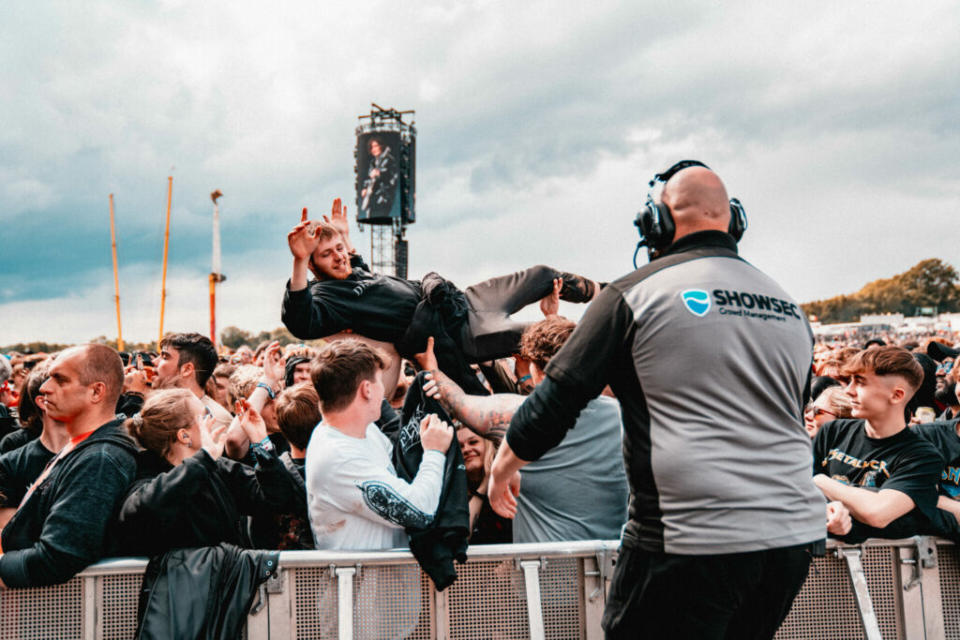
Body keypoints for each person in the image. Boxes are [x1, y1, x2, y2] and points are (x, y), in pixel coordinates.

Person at [485, 160, 826, 639]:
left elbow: (555, 402)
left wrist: (502, 469)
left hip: (691, 538)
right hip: (791, 541)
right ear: (735, 221)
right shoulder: (788, 306)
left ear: (657, 222)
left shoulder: (636, 293)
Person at [282, 198, 599, 396]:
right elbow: (301, 320)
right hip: (459, 335)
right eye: (327, 255)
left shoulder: (355, 269)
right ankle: (608, 332)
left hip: (463, 303)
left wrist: (343, 238)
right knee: (545, 336)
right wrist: (299, 261)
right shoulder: (325, 297)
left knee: (543, 275)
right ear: (313, 263)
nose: (339, 258)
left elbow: (350, 259)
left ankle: (604, 294)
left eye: (340, 250)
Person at [417, 315, 629, 544]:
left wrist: (432, 369)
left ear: (536, 370)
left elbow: (457, 400)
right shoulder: (624, 415)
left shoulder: (517, 413)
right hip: (613, 567)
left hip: (544, 572)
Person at [0, 345, 138, 588]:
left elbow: (57, 557)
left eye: (60, 380)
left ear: (96, 391)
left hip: (55, 614)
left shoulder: (100, 459)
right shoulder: (85, 446)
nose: (44, 388)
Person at [304, 339, 454, 551]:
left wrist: (429, 406)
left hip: (389, 581)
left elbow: (401, 462)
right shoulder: (338, 457)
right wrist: (435, 452)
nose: (383, 390)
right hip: (361, 582)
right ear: (367, 389)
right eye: (379, 381)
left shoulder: (365, 430)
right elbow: (420, 512)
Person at [117, 389, 299, 555]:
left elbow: (278, 499)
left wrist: (261, 442)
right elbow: (140, 511)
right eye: (205, 415)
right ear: (184, 435)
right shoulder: (146, 472)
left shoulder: (219, 468)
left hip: (224, 583)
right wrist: (202, 460)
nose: (212, 421)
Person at [813, 346, 942, 542]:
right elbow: (795, 489)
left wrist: (820, 481)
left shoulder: (922, 457)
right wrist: (826, 509)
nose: (848, 391)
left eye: (860, 382)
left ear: (897, 395)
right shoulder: (834, 431)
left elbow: (877, 513)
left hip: (881, 568)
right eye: (850, 381)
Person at [153, 332, 233, 430]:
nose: (154, 362)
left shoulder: (217, 419)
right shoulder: (159, 409)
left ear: (187, 369)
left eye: (165, 357)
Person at [359, 137, 398, 219]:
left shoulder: (389, 160)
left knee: (380, 216)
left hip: (383, 197)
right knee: (370, 215)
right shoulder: (373, 163)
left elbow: (393, 179)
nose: (374, 149)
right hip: (372, 198)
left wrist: (380, 174)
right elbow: (368, 177)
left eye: (376, 146)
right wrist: (365, 188)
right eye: (372, 147)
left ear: (381, 146)